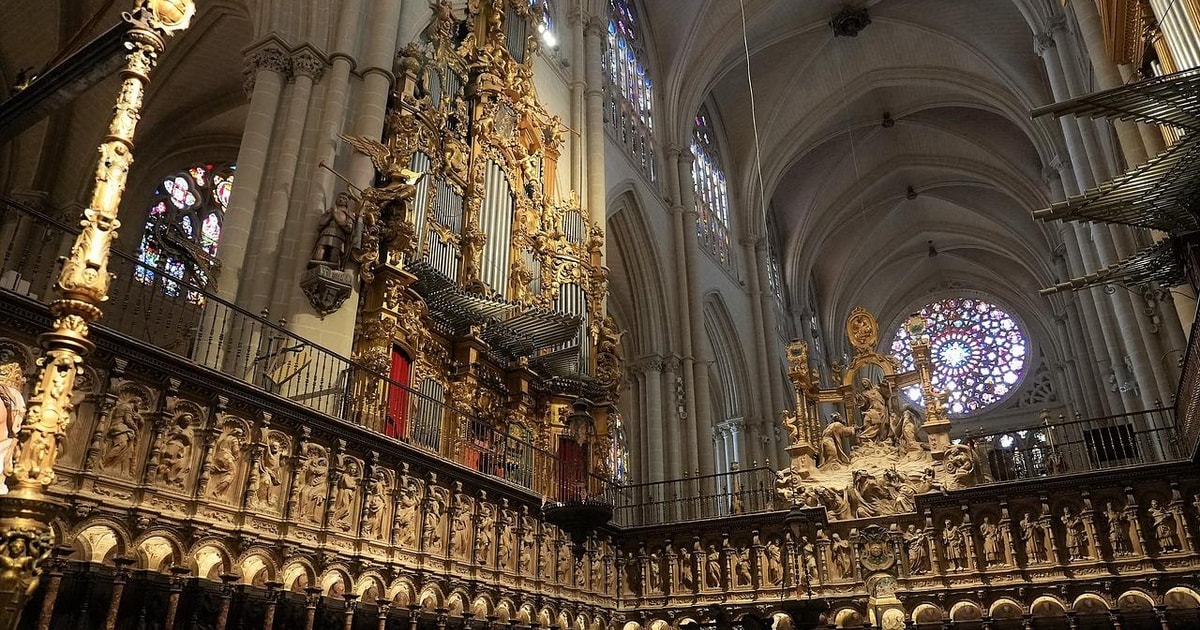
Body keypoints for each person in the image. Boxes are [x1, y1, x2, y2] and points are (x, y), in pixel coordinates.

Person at [309, 192, 356, 269]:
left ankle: (332, 270)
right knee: (319, 253)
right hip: (325, 233)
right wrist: (330, 216)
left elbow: (349, 229)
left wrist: (336, 217)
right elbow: (320, 226)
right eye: (340, 197)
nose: (341, 199)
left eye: (344, 199)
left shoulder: (348, 214)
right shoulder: (329, 211)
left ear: (347, 202)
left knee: (334, 256)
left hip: (338, 235)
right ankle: (316, 268)